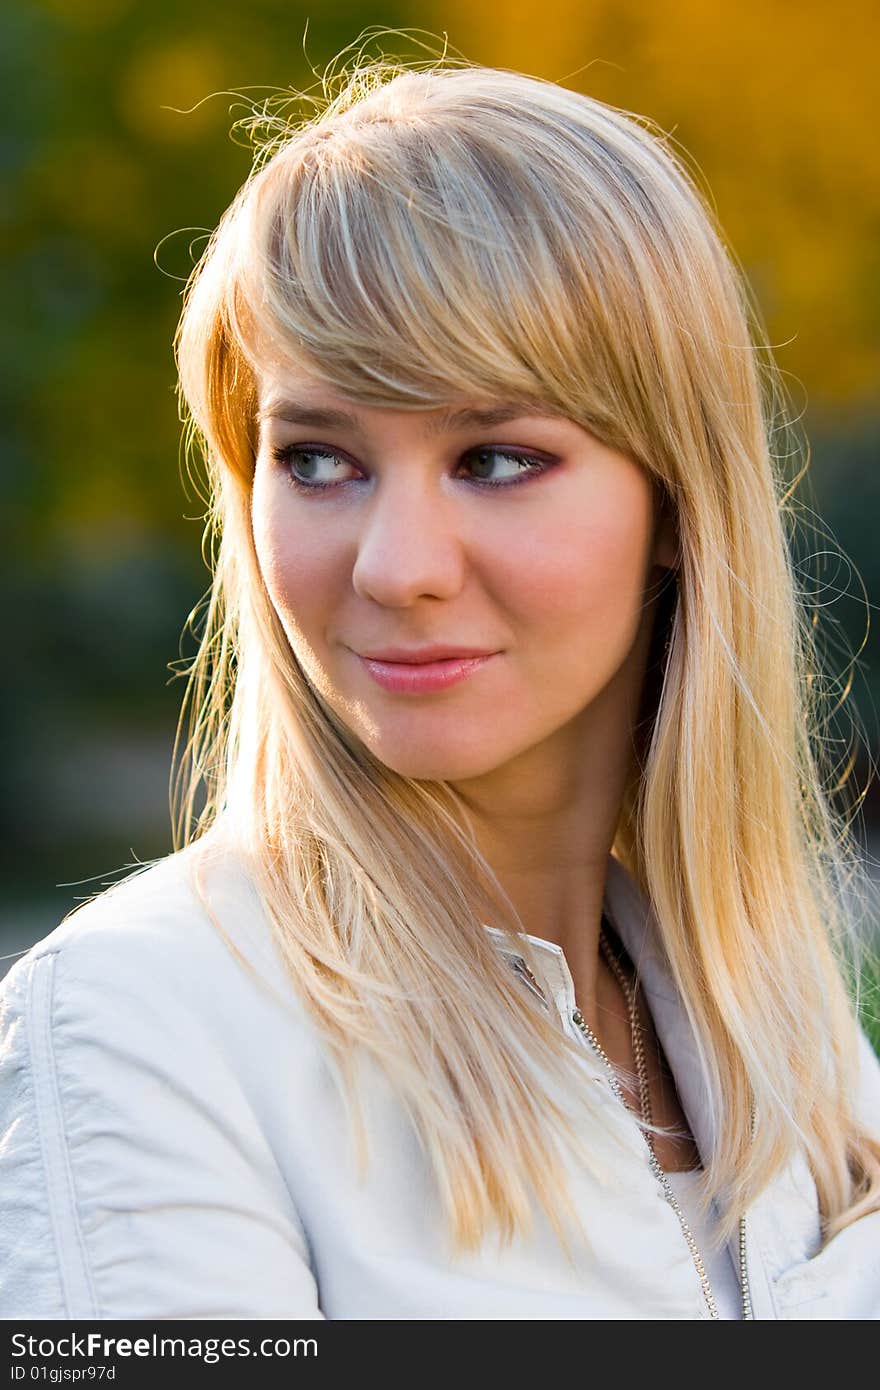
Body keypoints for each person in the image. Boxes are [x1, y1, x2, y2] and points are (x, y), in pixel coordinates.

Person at [2, 52, 879, 1322]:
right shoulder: (138, 1026)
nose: (395, 566)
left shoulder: (769, 1024)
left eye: (497, 457)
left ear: (679, 503)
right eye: (315, 458)